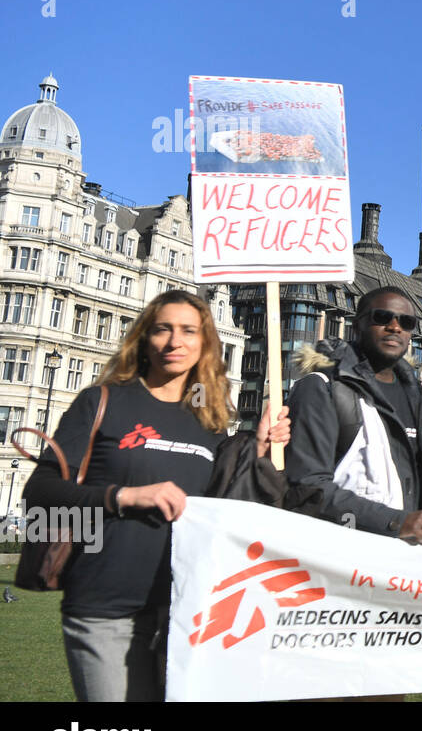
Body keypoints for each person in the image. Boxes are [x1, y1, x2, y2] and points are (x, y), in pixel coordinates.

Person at [22, 289, 289, 701]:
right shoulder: (103, 400)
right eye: (163, 329)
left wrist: (258, 445)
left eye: (188, 331)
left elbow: (223, 498)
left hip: (185, 614)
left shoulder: (209, 420)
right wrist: (124, 496)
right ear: (144, 337)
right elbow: (40, 490)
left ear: (204, 344)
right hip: (105, 608)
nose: (174, 341)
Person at [285, 287, 422, 546]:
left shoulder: (417, 398)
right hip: (342, 559)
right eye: (382, 317)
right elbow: (307, 487)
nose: (394, 327)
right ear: (357, 325)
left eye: (406, 322)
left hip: (404, 565)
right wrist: (394, 522)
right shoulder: (322, 387)